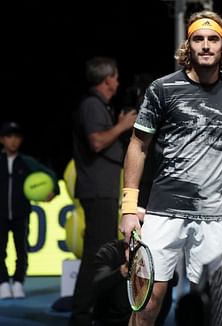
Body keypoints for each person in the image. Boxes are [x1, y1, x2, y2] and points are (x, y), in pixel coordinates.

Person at [119, 10, 222, 325]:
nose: (206, 46)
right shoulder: (162, 89)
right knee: (148, 300)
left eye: (213, 39)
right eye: (198, 39)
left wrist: (216, 160)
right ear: (188, 45)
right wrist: (129, 207)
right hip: (163, 211)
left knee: (209, 305)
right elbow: (138, 146)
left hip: (212, 215)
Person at [70, 56, 137, 325]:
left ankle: (90, 310)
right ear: (108, 79)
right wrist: (122, 126)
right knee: (94, 254)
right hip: (97, 191)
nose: (118, 82)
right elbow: (96, 141)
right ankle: (81, 314)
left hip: (103, 190)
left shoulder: (101, 107)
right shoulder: (91, 105)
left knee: (99, 252)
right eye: (116, 77)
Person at [0, 121, 59, 299]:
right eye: (9, 137)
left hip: (21, 214)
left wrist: (53, 191)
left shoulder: (27, 162)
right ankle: (3, 283)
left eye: (16, 137)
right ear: (2, 139)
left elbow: (50, 175)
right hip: (0, 215)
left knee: (21, 250)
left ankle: (18, 283)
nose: (13, 141)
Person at [92, 208, 177, 326]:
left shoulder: (156, 255)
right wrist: (123, 271)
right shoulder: (109, 251)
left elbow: (173, 280)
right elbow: (97, 285)